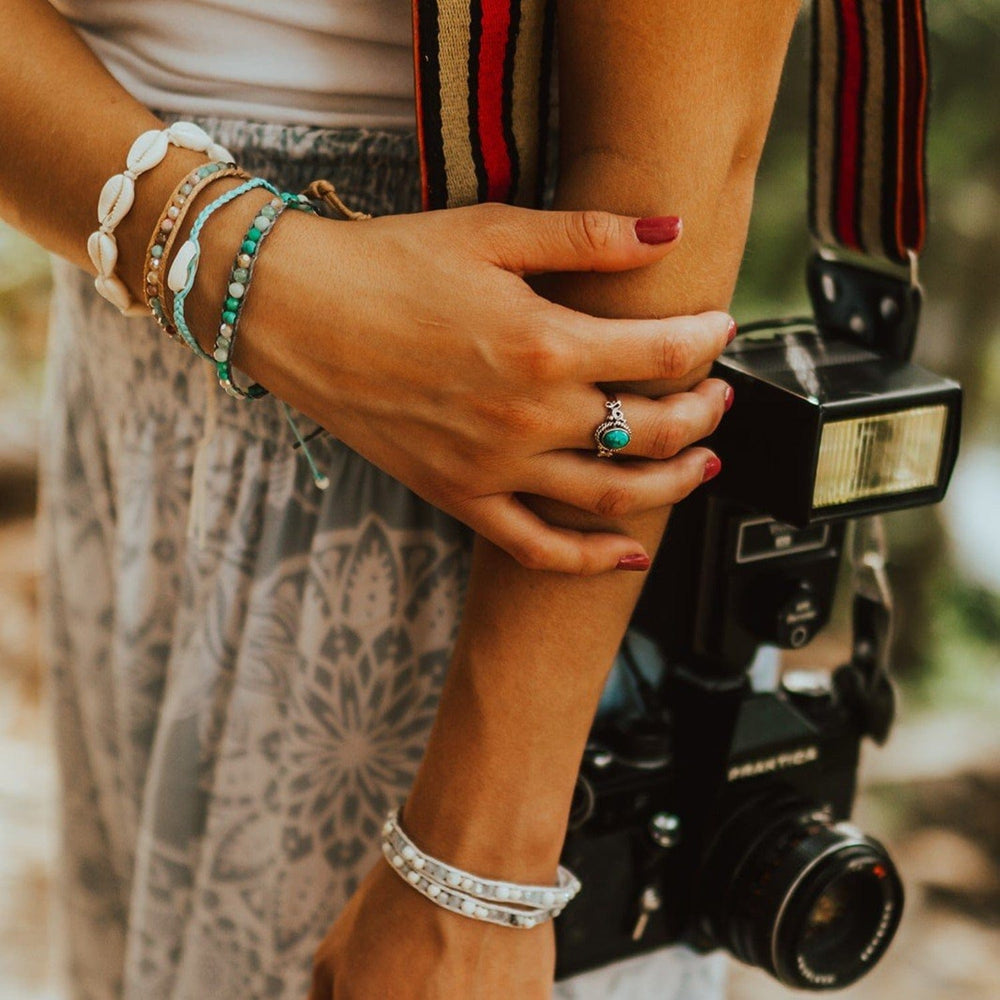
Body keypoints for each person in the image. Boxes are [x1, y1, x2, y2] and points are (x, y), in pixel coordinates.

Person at [0, 0, 800, 997]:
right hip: (130, 385)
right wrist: (251, 273)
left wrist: (479, 864)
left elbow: (675, 163)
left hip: (464, 515)